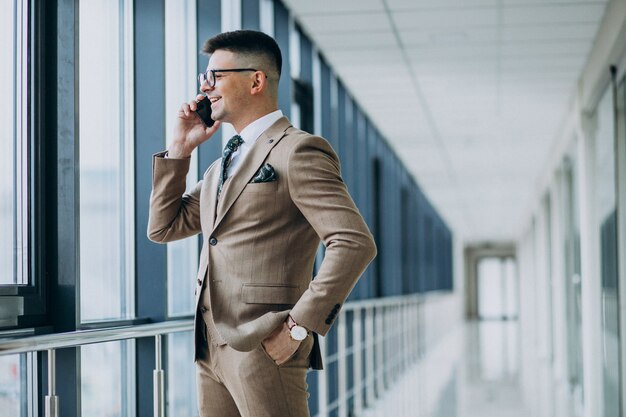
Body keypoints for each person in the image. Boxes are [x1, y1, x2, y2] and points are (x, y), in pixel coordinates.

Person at [148, 30, 376, 417]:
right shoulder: (221, 166)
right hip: (210, 350)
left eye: (216, 75)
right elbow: (163, 227)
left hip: (265, 345)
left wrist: (299, 327)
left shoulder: (298, 149)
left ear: (256, 80)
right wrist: (180, 150)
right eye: (204, 77)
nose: (206, 86)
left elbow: (353, 242)